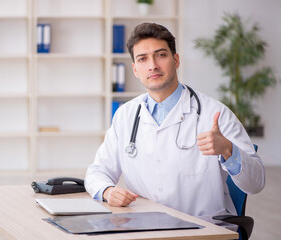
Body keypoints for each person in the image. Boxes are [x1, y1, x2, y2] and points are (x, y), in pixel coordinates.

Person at [85, 23, 265, 221]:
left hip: (202, 230)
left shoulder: (215, 113)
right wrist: (108, 190)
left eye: (161, 55)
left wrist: (228, 150)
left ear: (176, 60)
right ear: (135, 69)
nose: (152, 65)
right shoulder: (125, 115)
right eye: (143, 59)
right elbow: (97, 171)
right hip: (143, 227)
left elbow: (256, 183)